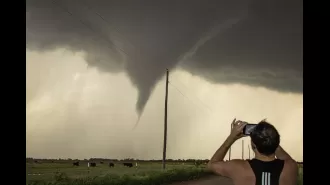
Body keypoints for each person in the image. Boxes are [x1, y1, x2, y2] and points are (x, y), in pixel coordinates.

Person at [207, 119, 298, 185]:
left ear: (253, 145)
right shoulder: (291, 167)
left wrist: (232, 137)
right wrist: (269, 137)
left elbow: (212, 164)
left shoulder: (239, 168)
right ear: (277, 141)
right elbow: (285, 157)